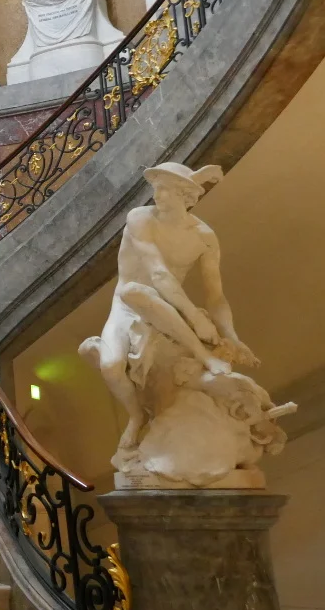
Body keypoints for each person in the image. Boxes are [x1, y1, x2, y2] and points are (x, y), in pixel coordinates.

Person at [82, 162, 258, 456]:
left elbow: (216, 296)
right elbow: (158, 274)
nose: (157, 196)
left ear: (186, 196)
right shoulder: (140, 219)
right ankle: (137, 416)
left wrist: (232, 335)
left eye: (165, 190)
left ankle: (202, 360)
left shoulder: (204, 237)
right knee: (112, 366)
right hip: (129, 305)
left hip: (169, 308)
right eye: (156, 189)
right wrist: (194, 318)